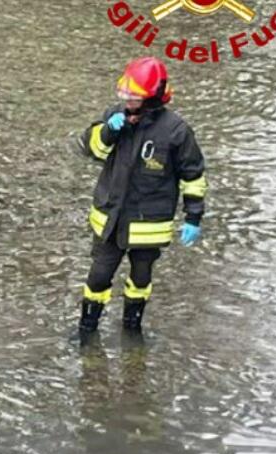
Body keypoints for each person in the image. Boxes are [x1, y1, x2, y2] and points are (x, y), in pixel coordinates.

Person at [77, 56, 207, 334]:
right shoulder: (116, 116)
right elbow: (92, 150)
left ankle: (132, 328)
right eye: (125, 95)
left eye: (134, 97)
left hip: (149, 223)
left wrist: (193, 216)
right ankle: (87, 329)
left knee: (141, 277)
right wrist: (108, 132)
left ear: (151, 98)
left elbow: (193, 176)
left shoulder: (176, 131)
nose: (127, 101)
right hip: (110, 220)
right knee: (98, 276)